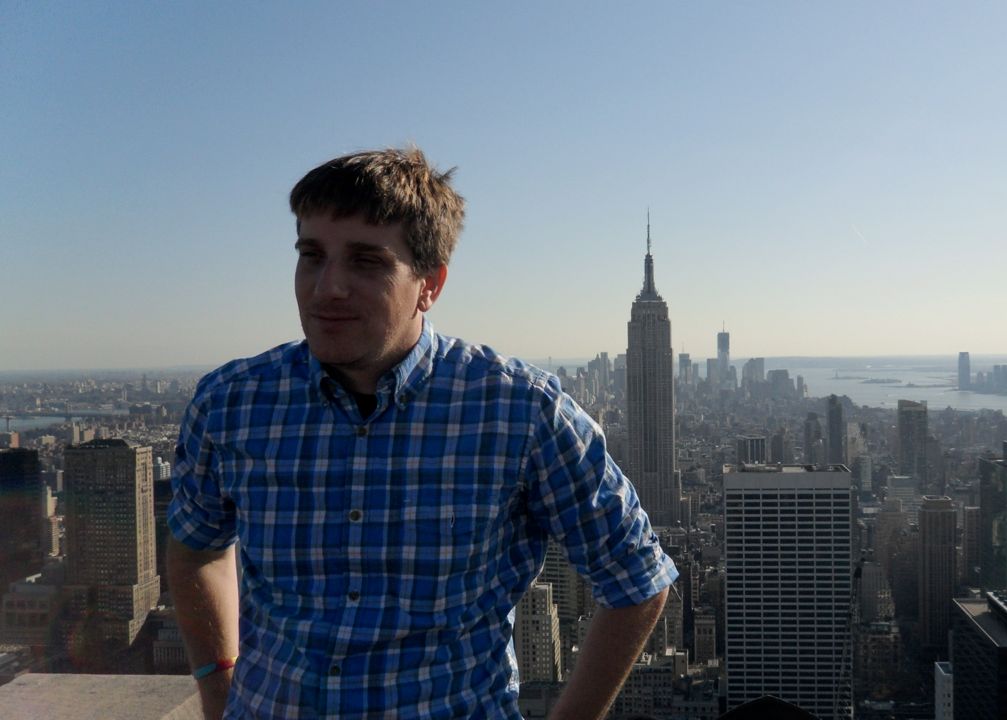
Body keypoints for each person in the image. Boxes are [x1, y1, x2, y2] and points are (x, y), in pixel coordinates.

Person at [167, 146, 678, 719]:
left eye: (366, 261)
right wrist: (218, 685)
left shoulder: (518, 409)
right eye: (311, 256)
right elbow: (196, 550)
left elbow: (638, 578)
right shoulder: (232, 402)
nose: (327, 287)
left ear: (430, 284)